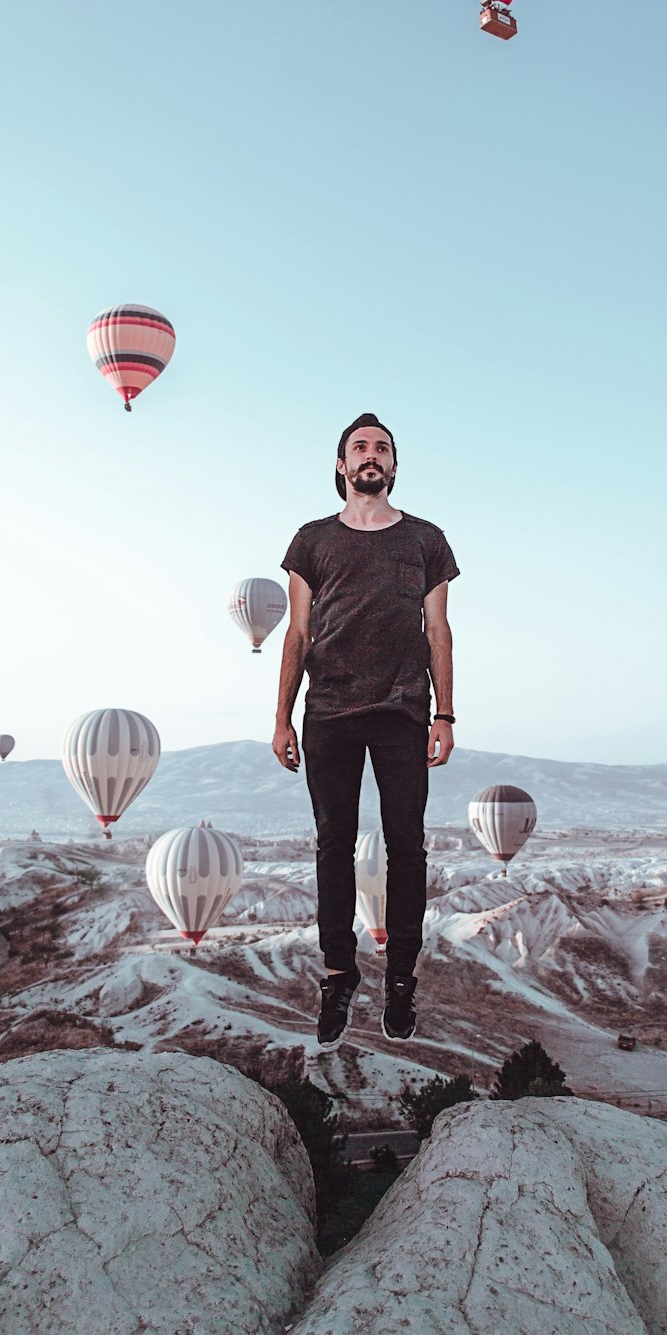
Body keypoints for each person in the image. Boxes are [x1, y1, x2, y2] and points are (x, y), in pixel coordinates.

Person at [273, 413, 459, 1048]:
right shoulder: (311, 540)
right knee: (334, 846)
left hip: (405, 711)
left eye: (382, 448)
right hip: (328, 713)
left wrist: (445, 712)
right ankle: (337, 975)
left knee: (408, 846)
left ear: (395, 466)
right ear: (341, 466)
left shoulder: (425, 539)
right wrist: (280, 718)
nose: (371, 456)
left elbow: (438, 630)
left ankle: (400, 978)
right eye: (360, 448)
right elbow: (297, 634)